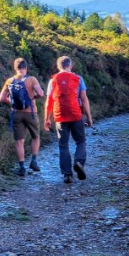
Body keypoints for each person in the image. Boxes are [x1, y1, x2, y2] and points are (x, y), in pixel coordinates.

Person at [44, 55, 94, 184]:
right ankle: (79, 162)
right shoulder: (78, 79)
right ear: (70, 66)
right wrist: (89, 116)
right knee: (81, 141)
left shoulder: (53, 80)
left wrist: (47, 119)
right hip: (75, 114)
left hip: (60, 116)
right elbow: (84, 98)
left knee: (63, 145)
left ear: (58, 66)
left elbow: (49, 101)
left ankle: (67, 175)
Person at [0, 58, 45, 177]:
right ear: (26, 67)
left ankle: (21, 167)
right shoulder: (31, 79)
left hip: (16, 114)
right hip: (31, 113)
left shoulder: (9, 81)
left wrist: (12, 103)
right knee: (36, 137)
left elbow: (2, 98)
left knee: (19, 141)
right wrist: (32, 99)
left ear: (15, 68)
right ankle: (34, 161)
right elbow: (40, 93)